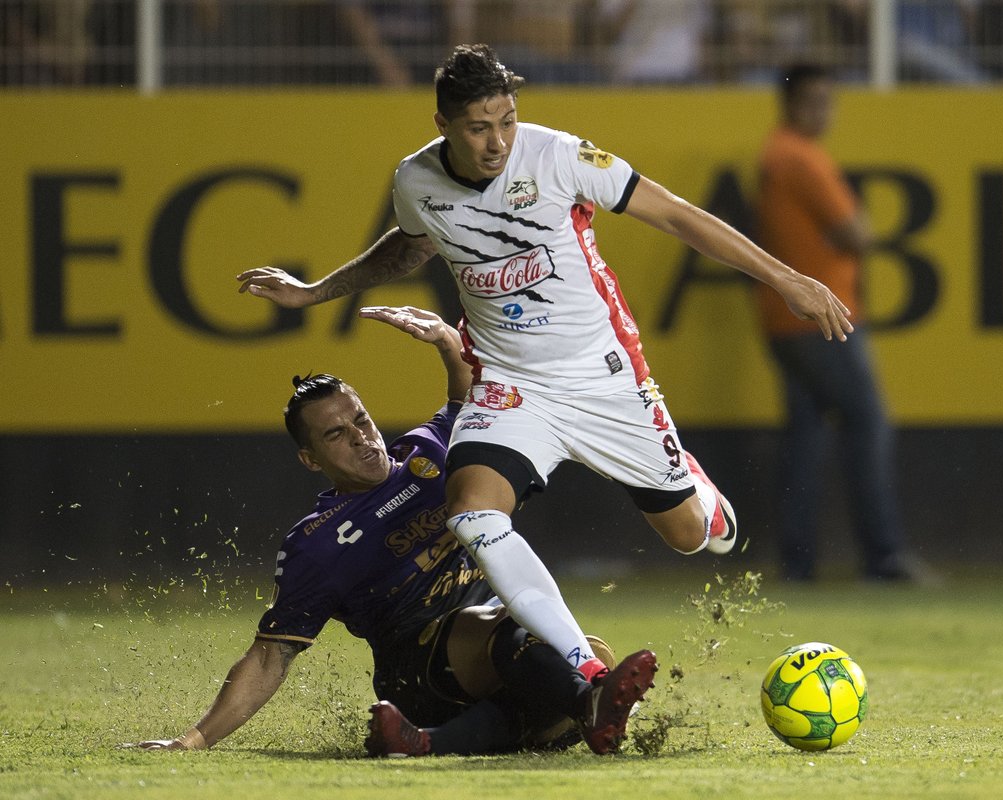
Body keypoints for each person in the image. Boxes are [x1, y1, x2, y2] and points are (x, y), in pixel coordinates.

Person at [235, 44, 853, 683]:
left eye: (506, 120)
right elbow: (411, 246)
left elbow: (675, 214)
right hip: (510, 384)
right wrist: (315, 292)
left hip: (602, 377)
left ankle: (698, 493)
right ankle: (583, 665)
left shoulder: (559, 155)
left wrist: (787, 280)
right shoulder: (415, 181)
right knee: (472, 512)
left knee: (689, 536)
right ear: (443, 123)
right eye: (479, 127)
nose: (498, 140)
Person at [126, 306, 657, 757]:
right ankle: (574, 705)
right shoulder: (318, 542)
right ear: (311, 460)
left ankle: (433, 741)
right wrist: (191, 741)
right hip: (418, 675)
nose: (361, 438)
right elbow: (270, 655)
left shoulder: (428, 453)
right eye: (336, 434)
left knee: (583, 654)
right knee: (546, 649)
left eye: (360, 419)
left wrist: (449, 343)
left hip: (496, 651)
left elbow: (471, 403)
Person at [754, 61, 922, 583]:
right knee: (867, 424)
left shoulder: (775, 155)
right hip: (823, 319)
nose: (823, 111)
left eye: (828, 100)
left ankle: (798, 561)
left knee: (806, 436)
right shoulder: (800, 157)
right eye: (814, 101)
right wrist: (844, 237)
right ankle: (884, 555)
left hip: (787, 320)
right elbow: (858, 233)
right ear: (791, 104)